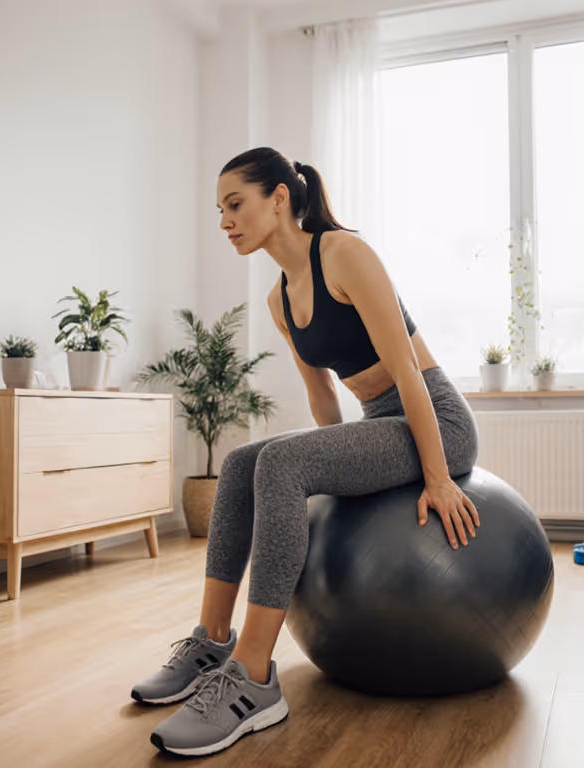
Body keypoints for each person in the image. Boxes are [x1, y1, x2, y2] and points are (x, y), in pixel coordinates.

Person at [134, 147, 481, 757]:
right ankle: (213, 639)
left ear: (279, 198)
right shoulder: (279, 300)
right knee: (246, 461)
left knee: (283, 462)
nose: (225, 222)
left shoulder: (345, 253)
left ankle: (254, 678)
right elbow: (324, 398)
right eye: (220, 210)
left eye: (235, 204)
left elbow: (405, 371)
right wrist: (332, 472)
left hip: (436, 419)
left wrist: (438, 476)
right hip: (382, 424)